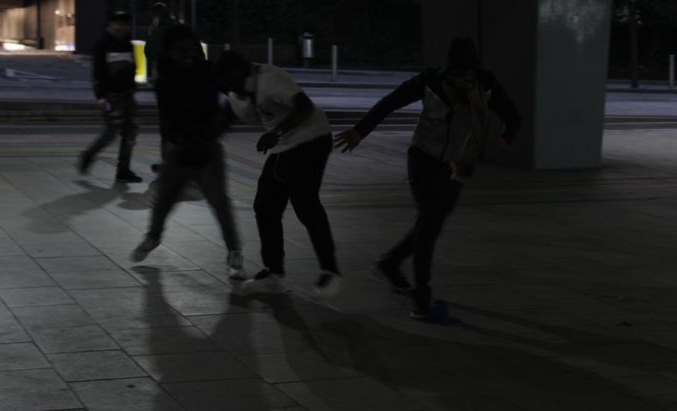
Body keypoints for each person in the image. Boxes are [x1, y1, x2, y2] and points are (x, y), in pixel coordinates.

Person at [334, 37, 520, 319]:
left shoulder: (486, 84)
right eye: (457, 79)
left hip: (458, 164)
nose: (462, 87)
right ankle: (421, 294)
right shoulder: (428, 81)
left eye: (468, 79)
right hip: (423, 159)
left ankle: (391, 263)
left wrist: (506, 136)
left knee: (433, 222)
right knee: (430, 220)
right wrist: (360, 131)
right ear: (447, 73)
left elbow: (513, 115)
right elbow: (389, 103)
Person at [214, 50, 342, 299]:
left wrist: (276, 133)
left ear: (242, 70)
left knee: (305, 205)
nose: (234, 89)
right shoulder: (238, 92)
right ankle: (274, 274)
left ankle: (330, 270)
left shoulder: (269, 78)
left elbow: (304, 106)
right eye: (227, 86)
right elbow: (227, 116)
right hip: (284, 146)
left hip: (311, 139)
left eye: (233, 82)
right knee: (265, 206)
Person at [130, 25, 245, 280]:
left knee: (219, 202)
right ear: (170, 52)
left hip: (207, 146)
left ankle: (234, 253)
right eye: (180, 50)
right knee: (164, 199)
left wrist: (220, 125)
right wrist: (172, 142)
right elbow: (167, 117)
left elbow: (234, 94)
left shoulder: (208, 71)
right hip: (180, 147)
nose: (187, 54)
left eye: (191, 48)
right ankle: (153, 237)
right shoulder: (166, 79)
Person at [79, 11, 141, 183]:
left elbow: (133, 66)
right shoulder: (102, 45)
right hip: (111, 96)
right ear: (111, 24)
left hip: (128, 95)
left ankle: (123, 170)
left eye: (124, 23)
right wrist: (100, 96)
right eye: (117, 23)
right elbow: (98, 72)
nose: (121, 27)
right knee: (111, 132)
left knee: (131, 132)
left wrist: (133, 86)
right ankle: (89, 155)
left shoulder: (128, 44)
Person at [145, 2, 176, 174]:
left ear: (156, 16)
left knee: (166, 124)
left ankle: (169, 162)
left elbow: (149, 52)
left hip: (167, 83)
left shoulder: (160, 31)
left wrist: (152, 33)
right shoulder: (179, 29)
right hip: (182, 83)